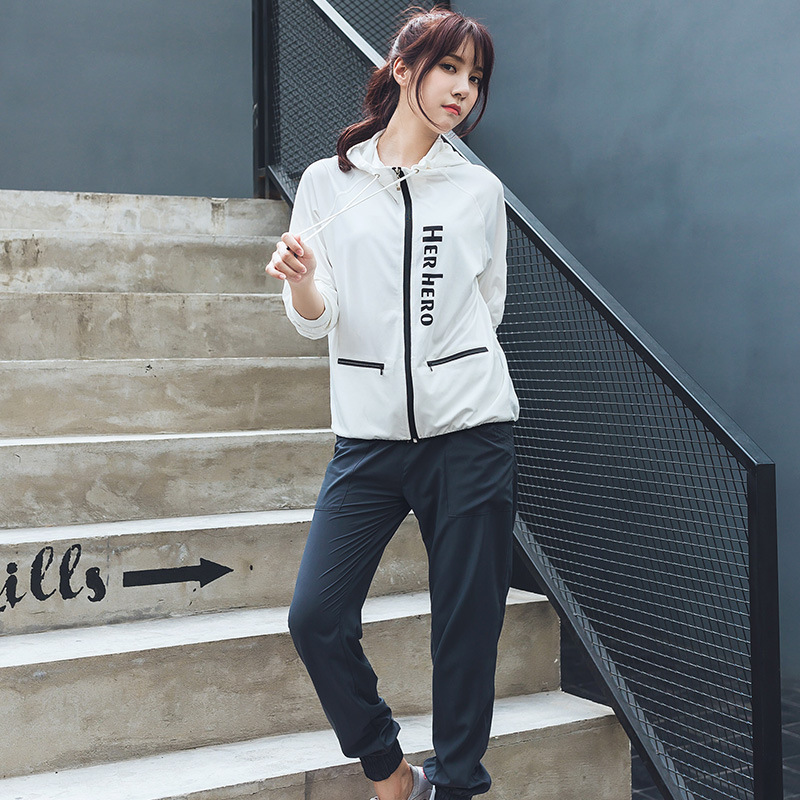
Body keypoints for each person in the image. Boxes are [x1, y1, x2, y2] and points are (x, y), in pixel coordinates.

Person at [265, 7, 519, 800]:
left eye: (474, 77)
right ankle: (388, 768)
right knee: (315, 616)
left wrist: (444, 361)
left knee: (466, 628)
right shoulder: (326, 182)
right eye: (449, 68)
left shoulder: (478, 190)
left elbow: (489, 305)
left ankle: (459, 785)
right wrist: (303, 278)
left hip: (470, 432)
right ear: (404, 68)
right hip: (369, 440)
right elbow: (316, 319)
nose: (462, 89)